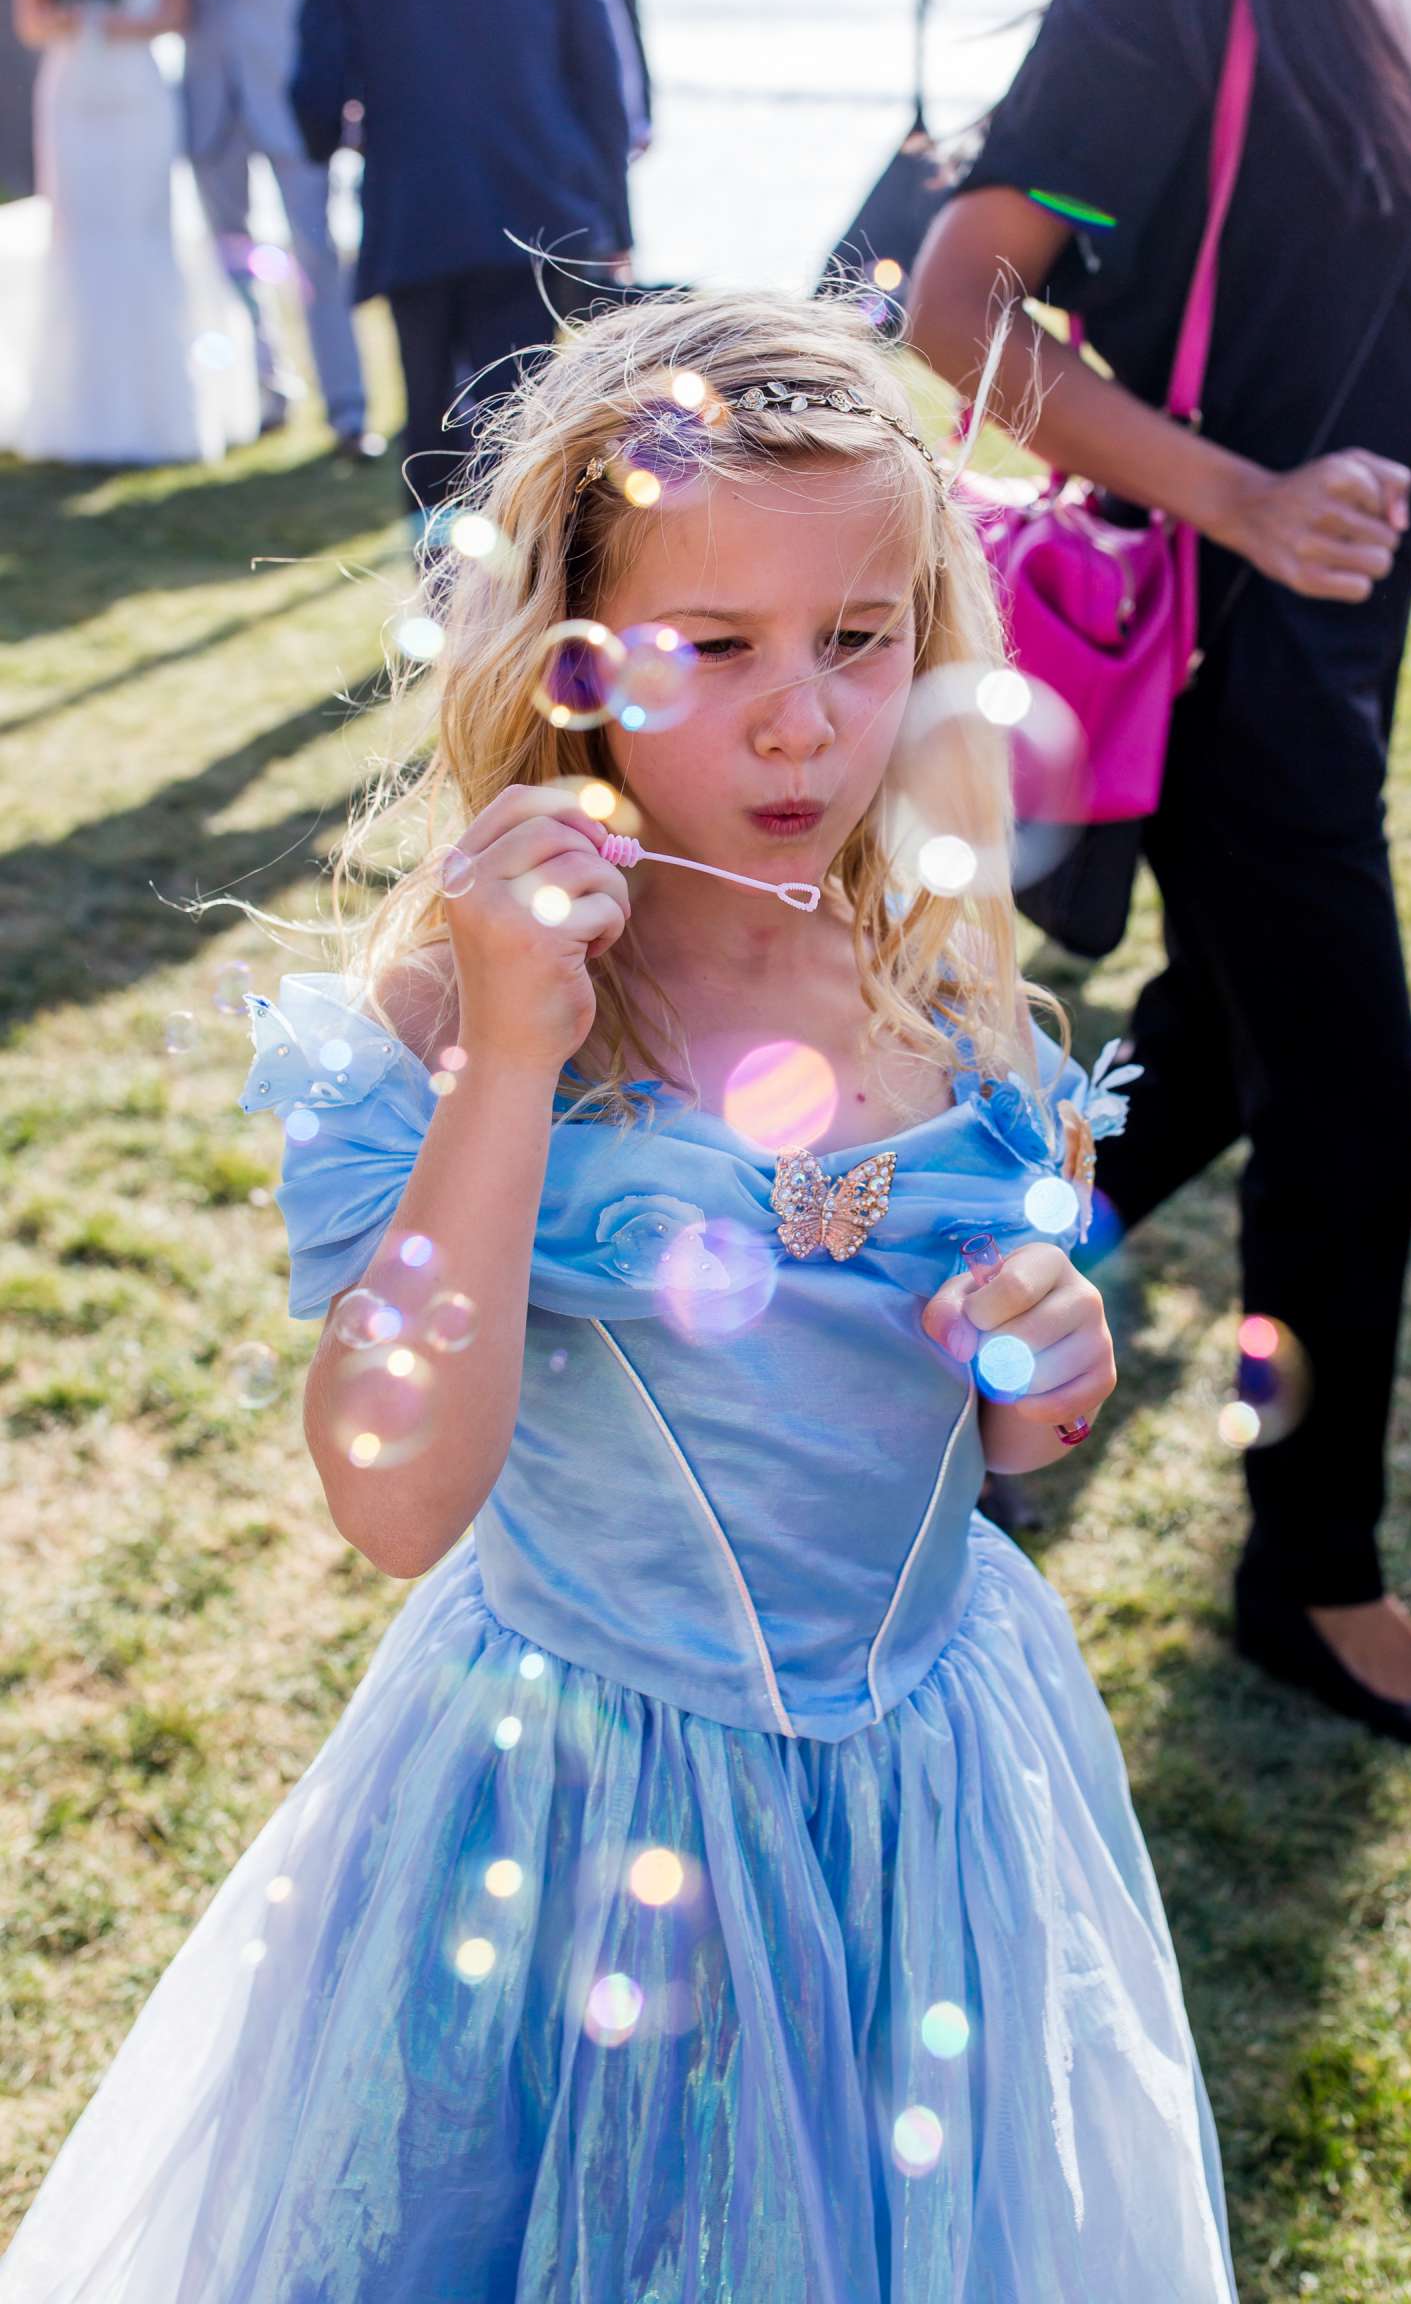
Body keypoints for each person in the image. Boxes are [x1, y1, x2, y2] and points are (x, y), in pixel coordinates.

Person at [0, 291, 1238, 2302]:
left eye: (855, 642)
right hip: (576, 1814)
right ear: (576, 666)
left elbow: (994, 1441)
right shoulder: (468, 1009)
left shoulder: (947, 987)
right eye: (710, 648)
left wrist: (1042, 1352)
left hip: (931, 1792)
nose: (793, 720)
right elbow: (396, 1505)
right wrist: (502, 1053)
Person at [907, 0, 1411, 1757]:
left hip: (1335, 630)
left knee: (1223, 1044)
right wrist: (1248, 500)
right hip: (1212, 626)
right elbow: (958, 302)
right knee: (1347, 1093)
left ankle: (941, 1335)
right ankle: (1313, 1576)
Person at [290, 0, 635, 523]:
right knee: (521, 417)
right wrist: (614, 221)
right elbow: (600, 69)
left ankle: (438, 591)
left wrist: (327, 135)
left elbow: (316, 86)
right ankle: (518, 589)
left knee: (428, 417)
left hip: (415, 209)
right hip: (534, 205)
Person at [5, 0, 256, 463]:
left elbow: (176, 9)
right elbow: (30, 22)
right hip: (72, 93)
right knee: (78, 238)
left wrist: (117, 18)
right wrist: (72, 14)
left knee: (143, 234)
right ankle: (78, 409)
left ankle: (157, 410)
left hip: (139, 94)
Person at [181, 0, 381, 460]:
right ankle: (267, 393)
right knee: (231, 256)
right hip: (210, 109)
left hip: (293, 107)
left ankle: (348, 409)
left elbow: (337, 4)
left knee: (317, 254)